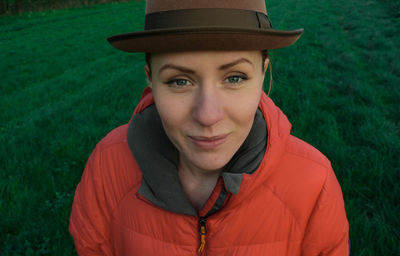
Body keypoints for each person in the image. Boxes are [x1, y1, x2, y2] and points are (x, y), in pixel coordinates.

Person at [69, 0, 349, 255]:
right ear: (150, 80)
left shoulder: (315, 185)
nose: (207, 115)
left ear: (263, 73)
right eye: (179, 81)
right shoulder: (106, 166)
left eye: (235, 78)